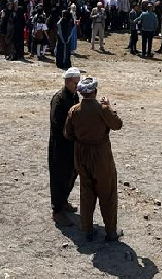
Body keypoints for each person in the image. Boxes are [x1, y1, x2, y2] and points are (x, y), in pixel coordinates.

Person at [63, 77, 124, 242]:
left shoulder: (74, 110)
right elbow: (117, 124)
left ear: (81, 93)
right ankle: (111, 232)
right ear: (95, 91)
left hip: (81, 154)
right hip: (100, 155)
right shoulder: (102, 109)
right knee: (107, 192)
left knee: (86, 192)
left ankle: (87, 230)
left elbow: (67, 134)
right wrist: (108, 107)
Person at [49, 67, 82, 226]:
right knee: (59, 176)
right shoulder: (59, 99)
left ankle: (64, 201)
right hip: (60, 145)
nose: (78, 85)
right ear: (68, 82)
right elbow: (56, 124)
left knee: (72, 173)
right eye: (76, 82)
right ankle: (57, 210)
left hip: (72, 143)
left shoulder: (75, 96)